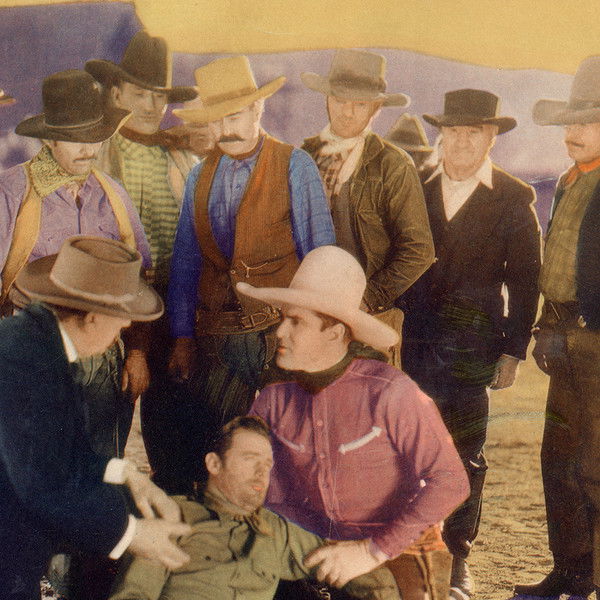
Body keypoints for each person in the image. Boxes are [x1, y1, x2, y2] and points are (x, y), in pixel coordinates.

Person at [240, 245, 469, 600]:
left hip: (394, 545)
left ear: (334, 332)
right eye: (282, 319)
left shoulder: (391, 392)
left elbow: (451, 481)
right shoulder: (272, 400)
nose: (280, 332)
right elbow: (269, 496)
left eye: (296, 321)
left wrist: (370, 551)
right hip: (311, 546)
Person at [164, 55, 335, 492]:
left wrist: (315, 336)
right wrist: (182, 338)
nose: (226, 128)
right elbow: (185, 263)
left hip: (281, 333)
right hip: (219, 339)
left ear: (259, 108)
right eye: (218, 118)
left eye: (236, 115)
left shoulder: (295, 164)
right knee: (216, 452)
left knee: (291, 449)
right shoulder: (198, 177)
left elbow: (321, 257)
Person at [400, 89, 542, 599]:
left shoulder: (514, 198)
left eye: (474, 132)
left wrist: (512, 351)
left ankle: (456, 558)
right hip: (411, 344)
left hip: (472, 350)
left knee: (463, 455)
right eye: (454, 131)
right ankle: (404, 552)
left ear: (491, 137)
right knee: (405, 448)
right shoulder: (413, 187)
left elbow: (525, 282)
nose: (461, 141)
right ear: (441, 134)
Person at [0, 236, 192, 600]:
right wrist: (133, 534)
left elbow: (62, 451)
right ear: (92, 318)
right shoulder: (27, 360)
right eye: (123, 316)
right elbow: (45, 482)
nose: (126, 326)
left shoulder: (39, 344)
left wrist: (128, 474)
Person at [0, 68, 151, 458]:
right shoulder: (13, 191)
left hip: (105, 359)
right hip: (37, 356)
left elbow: (139, 281)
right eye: (74, 139)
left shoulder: (113, 195)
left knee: (103, 465)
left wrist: (136, 352)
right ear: (49, 139)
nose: (88, 149)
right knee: (38, 465)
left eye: (94, 137)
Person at [109, 415, 399, 600]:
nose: (262, 473)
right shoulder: (172, 517)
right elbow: (134, 594)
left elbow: (354, 567)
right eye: (250, 459)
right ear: (214, 464)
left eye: (267, 464)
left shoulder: (278, 531)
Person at [85, 31, 199, 489]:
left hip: (175, 307)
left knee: (173, 432)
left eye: (160, 96)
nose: (152, 106)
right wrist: (134, 343)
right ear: (116, 94)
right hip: (114, 302)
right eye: (139, 94)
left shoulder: (181, 155)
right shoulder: (99, 152)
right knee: (101, 429)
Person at [514, 56, 600, 599]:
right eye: (571, 121)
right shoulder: (571, 181)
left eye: (588, 121)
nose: (573, 131)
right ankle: (571, 572)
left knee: (596, 464)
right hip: (564, 333)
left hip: (596, 339)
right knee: (560, 460)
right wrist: (549, 323)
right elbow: (563, 264)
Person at [301, 49, 434, 367]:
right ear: (327, 99)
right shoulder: (303, 156)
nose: (347, 113)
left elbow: (419, 250)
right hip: (308, 317)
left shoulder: (392, 164)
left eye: (360, 104)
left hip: (368, 321)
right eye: (339, 100)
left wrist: (368, 298)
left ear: (376, 109)